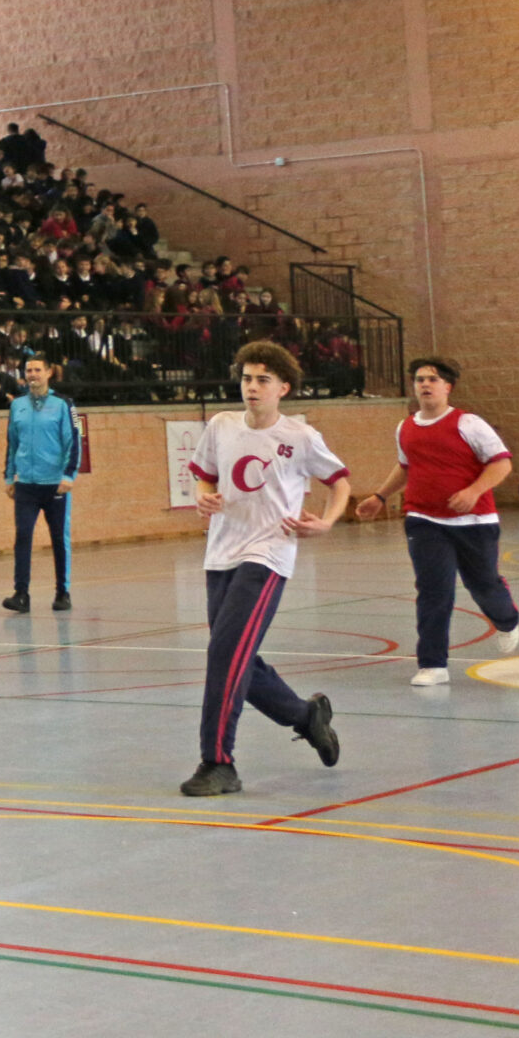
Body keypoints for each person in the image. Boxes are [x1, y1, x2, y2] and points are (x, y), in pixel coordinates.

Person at [179, 341, 350, 796]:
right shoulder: (221, 425)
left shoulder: (301, 437)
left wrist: (326, 522)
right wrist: (203, 497)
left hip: (269, 555)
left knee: (224, 656)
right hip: (221, 553)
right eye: (246, 379)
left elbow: (339, 482)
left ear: (283, 388)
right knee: (235, 656)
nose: (251, 387)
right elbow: (204, 476)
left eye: (262, 380)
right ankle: (306, 716)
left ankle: (218, 762)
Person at [348, 356, 519, 685]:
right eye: (419, 379)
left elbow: (502, 464)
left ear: (447, 387)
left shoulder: (468, 423)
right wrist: (380, 496)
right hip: (424, 520)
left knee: (483, 585)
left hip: (475, 523)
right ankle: (432, 664)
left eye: (432, 379)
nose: (425, 384)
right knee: (433, 591)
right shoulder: (405, 427)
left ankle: (506, 619)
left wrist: (473, 491)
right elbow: (405, 467)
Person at [1, 356, 80, 613]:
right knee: (23, 536)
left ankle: (62, 592)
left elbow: (74, 441)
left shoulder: (64, 404)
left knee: (58, 538)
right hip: (26, 484)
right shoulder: (17, 405)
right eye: (29, 370)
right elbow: (12, 442)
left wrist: (69, 475)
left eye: (37, 370)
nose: (32, 374)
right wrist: (9, 476)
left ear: (48, 373)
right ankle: (21, 593)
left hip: (55, 484)